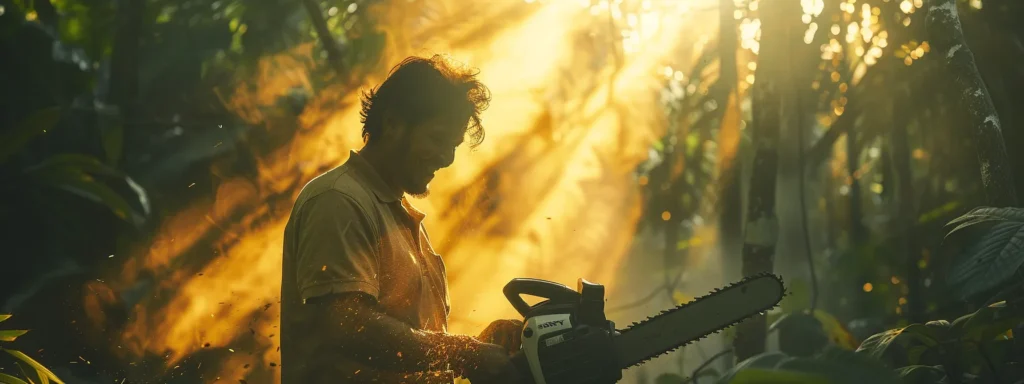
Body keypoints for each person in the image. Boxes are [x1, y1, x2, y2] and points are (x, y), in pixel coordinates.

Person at [280, 55, 525, 383]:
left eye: (453, 145)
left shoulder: (395, 211)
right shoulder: (338, 200)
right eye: (437, 139)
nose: (447, 158)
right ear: (393, 124)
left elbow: (411, 344)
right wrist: (465, 352)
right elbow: (349, 325)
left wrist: (481, 344)